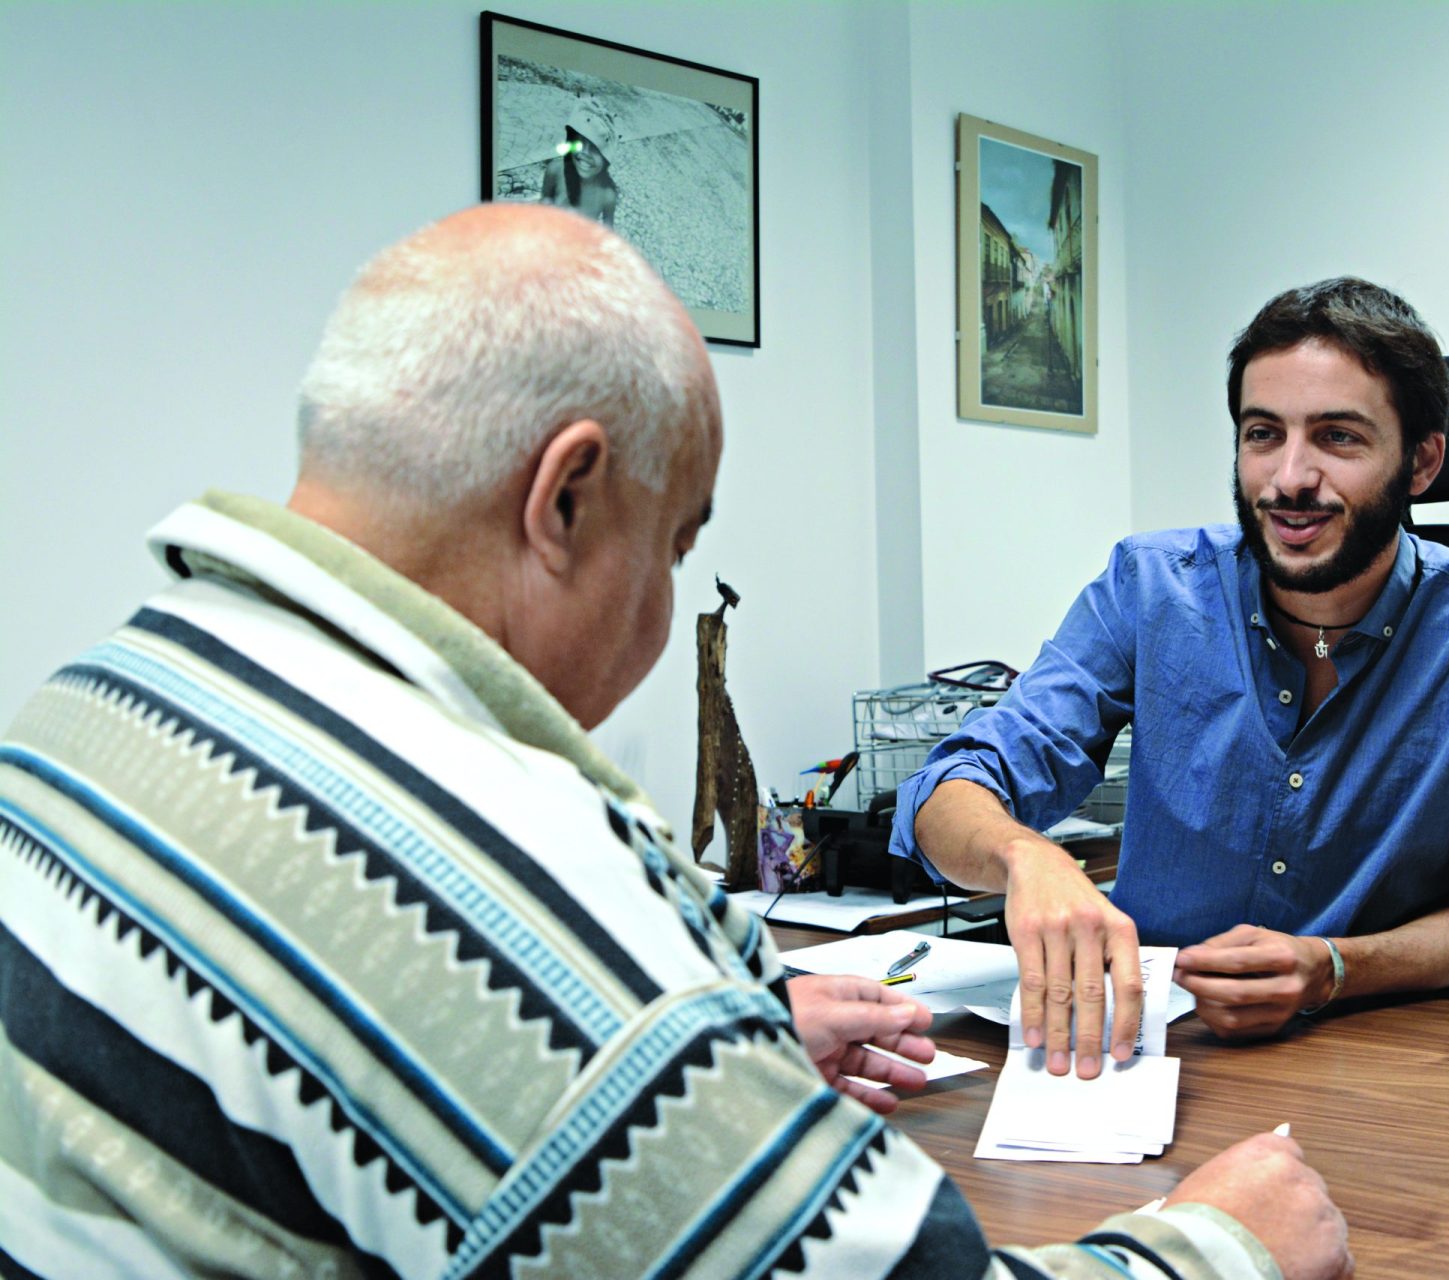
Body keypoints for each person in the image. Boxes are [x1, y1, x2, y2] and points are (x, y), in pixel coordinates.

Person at [0, 203, 1353, 1280]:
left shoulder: (94, 702)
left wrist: (723, 1030)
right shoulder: (494, 875)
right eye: (679, 542)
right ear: (568, 498)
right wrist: (1222, 1246)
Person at [891, 277, 1449, 1079]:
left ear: (1421, 461)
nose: (1289, 477)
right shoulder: (1149, 588)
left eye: (1338, 438)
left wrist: (1332, 968)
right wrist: (1025, 856)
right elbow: (950, 787)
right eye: (1264, 434)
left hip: (1395, 1066)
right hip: (1150, 1059)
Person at [540, 100, 618, 228]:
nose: (585, 153)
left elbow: (607, 231)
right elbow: (545, 200)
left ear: (605, 160)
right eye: (579, 144)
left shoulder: (607, 195)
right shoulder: (555, 169)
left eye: (595, 148)